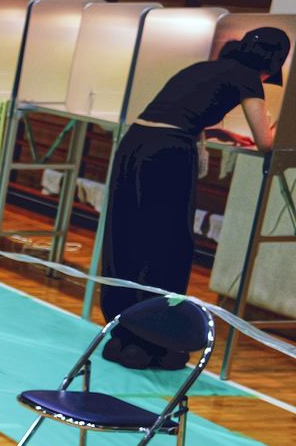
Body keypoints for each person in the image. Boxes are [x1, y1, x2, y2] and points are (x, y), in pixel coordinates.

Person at [97, 26, 286, 355]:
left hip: (135, 143)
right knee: (166, 243)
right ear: (272, 63)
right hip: (167, 153)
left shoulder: (206, 68)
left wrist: (212, 132)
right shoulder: (248, 77)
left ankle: (122, 333)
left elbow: (180, 111)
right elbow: (265, 141)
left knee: (127, 235)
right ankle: (153, 341)